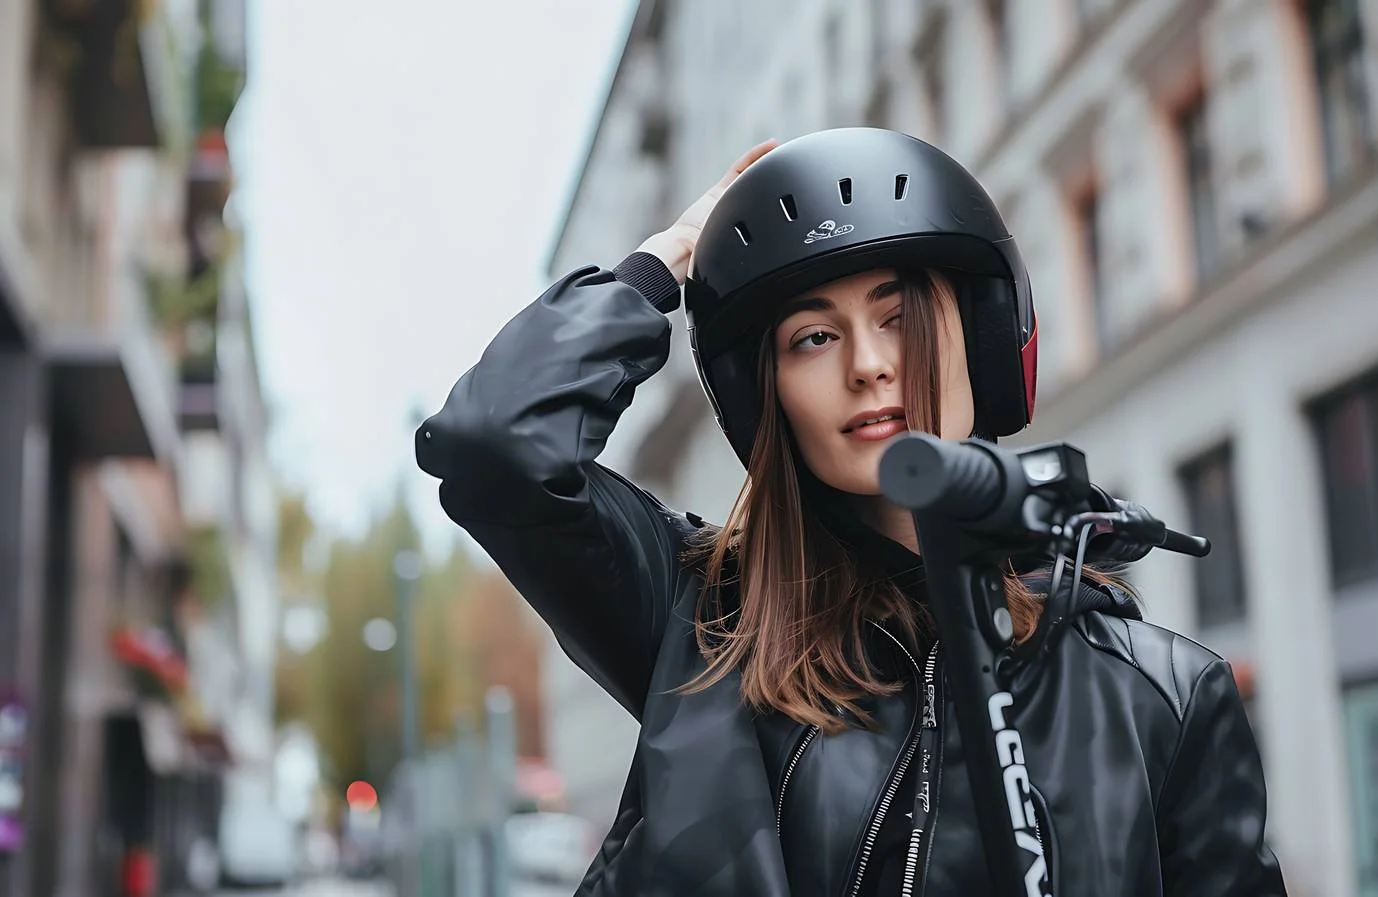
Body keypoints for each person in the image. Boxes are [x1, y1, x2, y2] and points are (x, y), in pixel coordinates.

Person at [416, 128, 1287, 897]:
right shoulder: (702, 623)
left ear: (982, 339)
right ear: (768, 398)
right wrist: (668, 259)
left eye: (898, 316)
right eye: (813, 337)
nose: (869, 365)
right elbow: (496, 445)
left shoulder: (1161, 698)